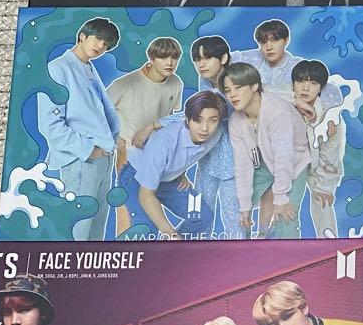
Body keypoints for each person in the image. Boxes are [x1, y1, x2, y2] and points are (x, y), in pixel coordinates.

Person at [36, 16, 120, 241]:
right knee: (78, 230)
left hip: (104, 157)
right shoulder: (58, 69)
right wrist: (89, 150)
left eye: (106, 45)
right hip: (81, 159)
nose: (101, 46)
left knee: (96, 229)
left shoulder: (88, 68)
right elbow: (50, 125)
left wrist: (110, 145)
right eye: (98, 39)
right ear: (82, 36)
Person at [116, 91, 225, 240]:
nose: (204, 128)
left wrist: (179, 172)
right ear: (188, 120)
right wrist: (171, 234)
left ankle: (171, 251)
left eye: (212, 120)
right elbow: (146, 195)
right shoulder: (162, 144)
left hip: (167, 179)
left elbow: (186, 153)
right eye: (198, 120)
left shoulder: (216, 134)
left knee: (203, 217)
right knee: (147, 228)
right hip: (136, 177)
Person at [223, 61, 311, 238]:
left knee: (285, 218)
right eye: (227, 90)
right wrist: (244, 207)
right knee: (236, 208)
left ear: (254, 86)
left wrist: (280, 198)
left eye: (238, 88)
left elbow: (284, 158)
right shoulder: (235, 121)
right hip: (263, 161)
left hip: (294, 162)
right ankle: (259, 238)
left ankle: (284, 251)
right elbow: (243, 165)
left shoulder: (277, 112)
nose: (232, 95)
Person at [106, 36, 184, 235]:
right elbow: (98, 111)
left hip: (159, 152)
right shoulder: (124, 84)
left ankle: (151, 248)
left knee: (151, 202)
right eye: (163, 57)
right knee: (127, 205)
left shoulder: (176, 83)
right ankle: (123, 248)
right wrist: (115, 138)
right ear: (151, 58)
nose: (170, 62)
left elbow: (171, 119)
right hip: (129, 151)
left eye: (174, 57)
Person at [189, 36, 245, 241]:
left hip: (235, 159)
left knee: (233, 215)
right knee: (198, 211)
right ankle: (196, 253)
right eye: (197, 59)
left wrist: (156, 124)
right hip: (208, 156)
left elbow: (213, 111)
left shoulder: (236, 81)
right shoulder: (205, 81)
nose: (201, 64)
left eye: (207, 58)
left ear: (223, 58)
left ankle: (240, 255)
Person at [291, 58, 345, 237]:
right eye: (301, 81)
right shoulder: (280, 105)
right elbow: (264, 93)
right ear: (293, 84)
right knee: (285, 206)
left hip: (315, 166)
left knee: (323, 200)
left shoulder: (330, 118)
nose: (305, 88)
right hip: (287, 166)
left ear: (321, 88)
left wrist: (324, 188)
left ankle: (329, 246)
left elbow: (330, 156)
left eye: (313, 83)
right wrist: (297, 103)